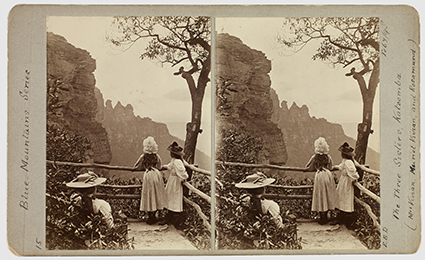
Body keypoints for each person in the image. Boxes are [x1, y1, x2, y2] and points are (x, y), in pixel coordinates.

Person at [133, 136, 165, 225]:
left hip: (148, 175)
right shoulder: (157, 156)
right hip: (157, 175)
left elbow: (136, 166)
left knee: (148, 194)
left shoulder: (143, 156)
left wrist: (144, 166)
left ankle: (150, 216)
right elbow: (160, 166)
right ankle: (154, 215)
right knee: (156, 194)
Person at [304, 137, 337, 225]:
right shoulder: (328, 157)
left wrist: (315, 167)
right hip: (328, 175)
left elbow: (307, 167)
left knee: (320, 194)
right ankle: (326, 215)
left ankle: (321, 217)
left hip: (319, 176)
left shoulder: (314, 157)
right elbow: (331, 167)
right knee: (327, 194)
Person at [159, 141, 189, 226]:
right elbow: (169, 166)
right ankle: (169, 217)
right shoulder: (174, 161)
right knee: (170, 197)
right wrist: (162, 166)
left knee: (174, 198)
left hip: (175, 182)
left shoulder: (178, 162)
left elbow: (183, 173)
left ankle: (176, 220)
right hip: (172, 181)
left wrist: (183, 178)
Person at [333, 142, 360, 228]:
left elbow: (353, 172)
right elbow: (341, 167)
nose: (341, 154)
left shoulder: (349, 162)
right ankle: (341, 217)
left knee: (346, 198)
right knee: (341, 197)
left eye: (342, 153)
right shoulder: (345, 161)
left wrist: (355, 177)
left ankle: (347, 220)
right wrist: (335, 167)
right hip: (343, 181)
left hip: (347, 182)